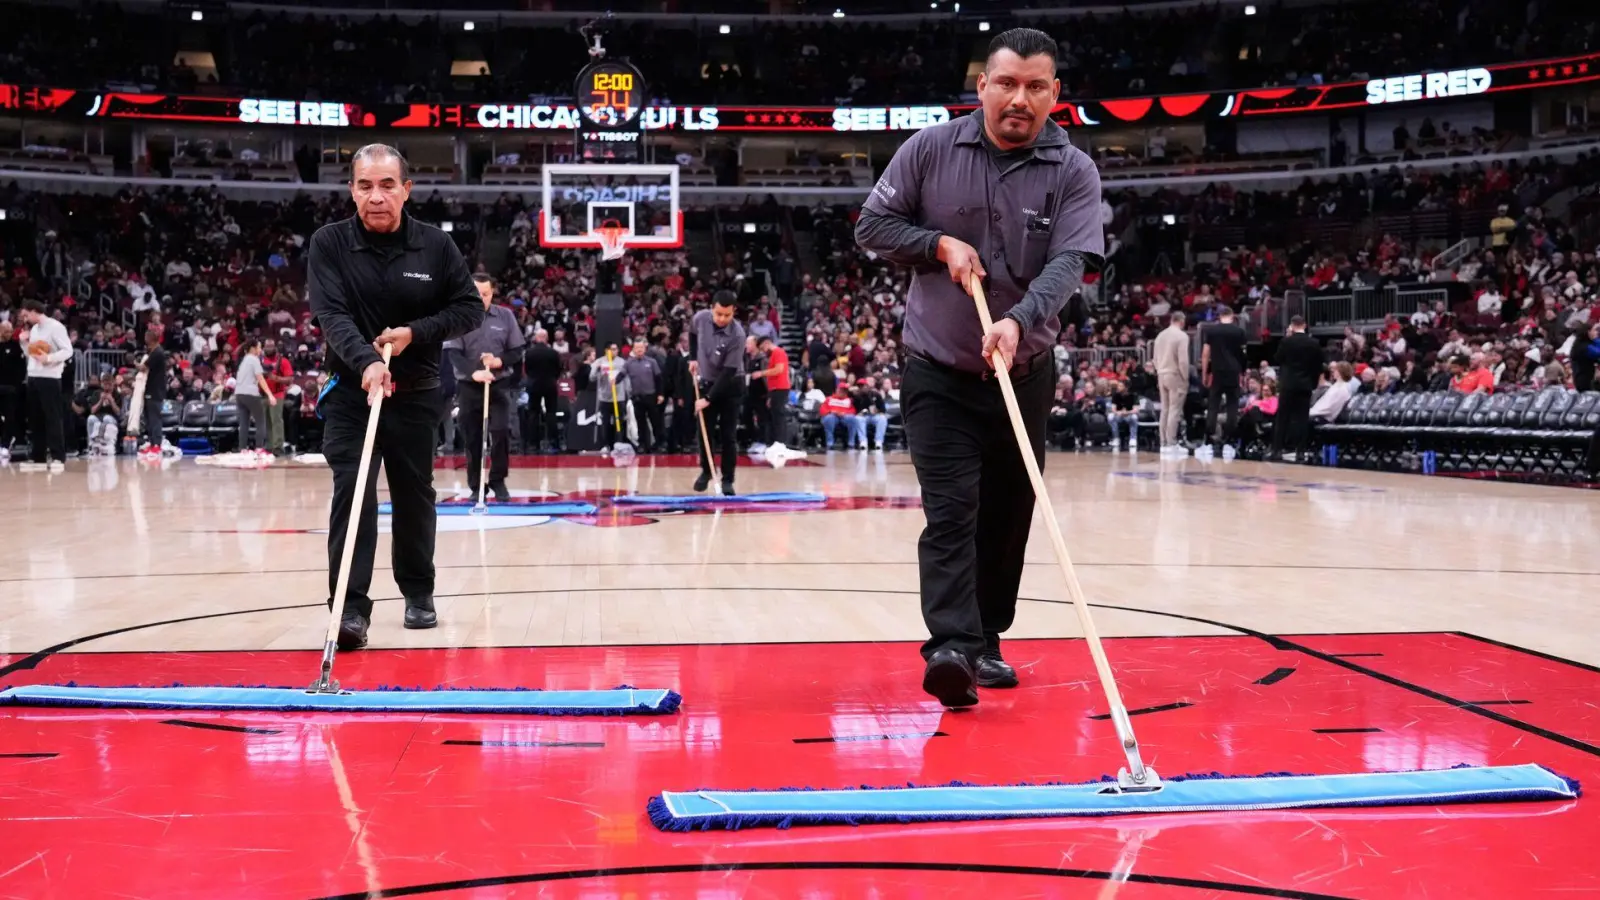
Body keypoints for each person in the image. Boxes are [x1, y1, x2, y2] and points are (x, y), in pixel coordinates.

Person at [854, 27, 1103, 707]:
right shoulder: (930, 150)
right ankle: (951, 648)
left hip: (1024, 370)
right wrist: (937, 243)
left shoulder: (1074, 172)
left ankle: (988, 638)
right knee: (952, 509)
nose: (1018, 98)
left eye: (1034, 86)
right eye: (1006, 83)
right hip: (937, 366)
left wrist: (1019, 321)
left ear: (1054, 95)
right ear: (982, 88)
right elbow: (871, 227)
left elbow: (1069, 263)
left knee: (1007, 512)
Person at [307, 143, 483, 650]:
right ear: (352, 191)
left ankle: (418, 593)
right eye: (365, 185)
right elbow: (330, 314)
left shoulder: (435, 247)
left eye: (387, 185)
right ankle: (348, 610)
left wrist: (415, 332)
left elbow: (467, 308)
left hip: (417, 394)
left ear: (407, 190)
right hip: (349, 393)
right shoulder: (329, 243)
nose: (376, 196)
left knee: (413, 496)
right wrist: (365, 362)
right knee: (353, 492)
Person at [446, 273, 523, 502]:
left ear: (492, 293)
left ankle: (498, 481)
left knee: (500, 432)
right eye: (476, 294)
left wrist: (499, 362)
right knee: (472, 437)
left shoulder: (506, 316)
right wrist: (474, 372)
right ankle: (476, 486)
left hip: (498, 386)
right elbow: (453, 354)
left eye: (486, 294)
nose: (481, 299)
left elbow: (516, 351)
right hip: (469, 387)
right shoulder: (458, 316)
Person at [690, 290, 745, 495]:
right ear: (712, 309)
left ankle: (728, 479)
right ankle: (706, 471)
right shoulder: (700, 318)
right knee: (704, 431)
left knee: (728, 434)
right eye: (719, 314)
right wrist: (693, 359)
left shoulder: (738, 335)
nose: (722, 319)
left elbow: (729, 372)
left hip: (731, 385)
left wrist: (708, 399)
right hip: (706, 380)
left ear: (733, 312)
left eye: (727, 315)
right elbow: (692, 333)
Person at [18, 300, 73, 472]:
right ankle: (38, 456)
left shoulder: (56, 327)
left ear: (35, 312)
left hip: (50, 378)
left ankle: (58, 457)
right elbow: (31, 355)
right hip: (33, 377)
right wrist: (24, 343)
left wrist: (49, 359)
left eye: (27, 315)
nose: (25, 319)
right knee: (36, 419)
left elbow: (68, 350)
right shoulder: (34, 330)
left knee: (52, 418)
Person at [1273, 315, 1322, 461]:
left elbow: (1277, 359)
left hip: (1288, 384)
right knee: (1302, 419)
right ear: (1305, 325)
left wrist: (1287, 337)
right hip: (1305, 385)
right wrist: (1312, 384)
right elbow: (1318, 366)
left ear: (1292, 326)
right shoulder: (1314, 343)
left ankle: (1277, 450)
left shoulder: (1286, 342)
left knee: (1283, 418)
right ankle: (1300, 451)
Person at [1201, 305, 1247, 455]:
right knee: (1232, 407)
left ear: (1219, 317)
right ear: (1232, 317)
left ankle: (1209, 440)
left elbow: (1205, 354)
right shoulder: (1239, 332)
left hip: (1217, 371)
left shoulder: (1212, 331)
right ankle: (1229, 441)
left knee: (1213, 405)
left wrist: (1205, 373)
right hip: (1234, 371)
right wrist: (1243, 372)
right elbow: (1243, 354)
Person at [1152, 311, 1189, 455]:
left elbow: (1154, 359)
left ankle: (1163, 442)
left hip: (1161, 373)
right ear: (1181, 320)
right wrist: (1185, 377)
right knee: (1174, 409)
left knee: (1165, 409)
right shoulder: (1182, 336)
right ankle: (1171, 442)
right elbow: (1183, 361)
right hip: (1175, 374)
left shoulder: (1160, 335)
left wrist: (1159, 371)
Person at [524, 329, 562, 452]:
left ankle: (533, 444)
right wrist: (553, 378)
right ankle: (553, 443)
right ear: (546, 338)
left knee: (533, 414)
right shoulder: (553, 353)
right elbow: (558, 370)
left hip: (534, 385)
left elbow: (528, 370)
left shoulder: (529, 353)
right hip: (550, 385)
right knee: (551, 413)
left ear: (536, 338)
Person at [624, 338, 665, 452]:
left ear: (645, 349)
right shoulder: (629, 363)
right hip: (637, 397)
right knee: (640, 421)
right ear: (633, 349)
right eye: (637, 348)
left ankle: (659, 443)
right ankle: (642, 444)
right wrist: (614, 380)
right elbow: (621, 375)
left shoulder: (652, 362)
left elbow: (659, 379)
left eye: (641, 348)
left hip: (651, 396)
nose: (639, 350)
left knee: (655, 421)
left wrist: (660, 394)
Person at [752, 334, 791, 446]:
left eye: (763, 348)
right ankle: (776, 442)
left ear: (767, 343)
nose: (763, 351)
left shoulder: (778, 352)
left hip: (781, 388)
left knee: (779, 416)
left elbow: (779, 370)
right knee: (774, 416)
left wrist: (761, 373)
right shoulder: (773, 354)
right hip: (775, 389)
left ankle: (781, 442)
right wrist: (770, 395)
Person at [591, 343, 631, 450]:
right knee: (605, 423)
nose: (614, 351)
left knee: (619, 422)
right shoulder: (600, 361)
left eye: (616, 349)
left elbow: (626, 379)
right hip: (604, 398)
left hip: (619, 397)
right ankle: (605, 445)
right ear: (606, 350)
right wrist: (597, 369)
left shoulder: (622, 362)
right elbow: (592, 377)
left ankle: (619, 443)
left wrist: (629, 393)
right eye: (612, 349)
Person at [234, 339, 271, 450]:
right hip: (250, 394)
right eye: (259, 347)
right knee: (261, 422)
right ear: (253, 348)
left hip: (239, 394)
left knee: (244, 423)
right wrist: (270, 394)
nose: (261, 350)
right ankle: (259, 449)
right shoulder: (254, 359)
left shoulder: (244, 360)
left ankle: (242, 450)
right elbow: (260, 378)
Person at [137, 327, 168, 451]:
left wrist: (134, 363)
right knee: (149, 418)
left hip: (155, 391)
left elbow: (143, 367)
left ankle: (156, 444)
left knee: (154, 418)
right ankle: (151, 443)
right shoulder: (153, 351)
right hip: (150, 389)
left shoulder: (157, 352)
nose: (144, 339)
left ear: (151, 338)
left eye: (146, 336)